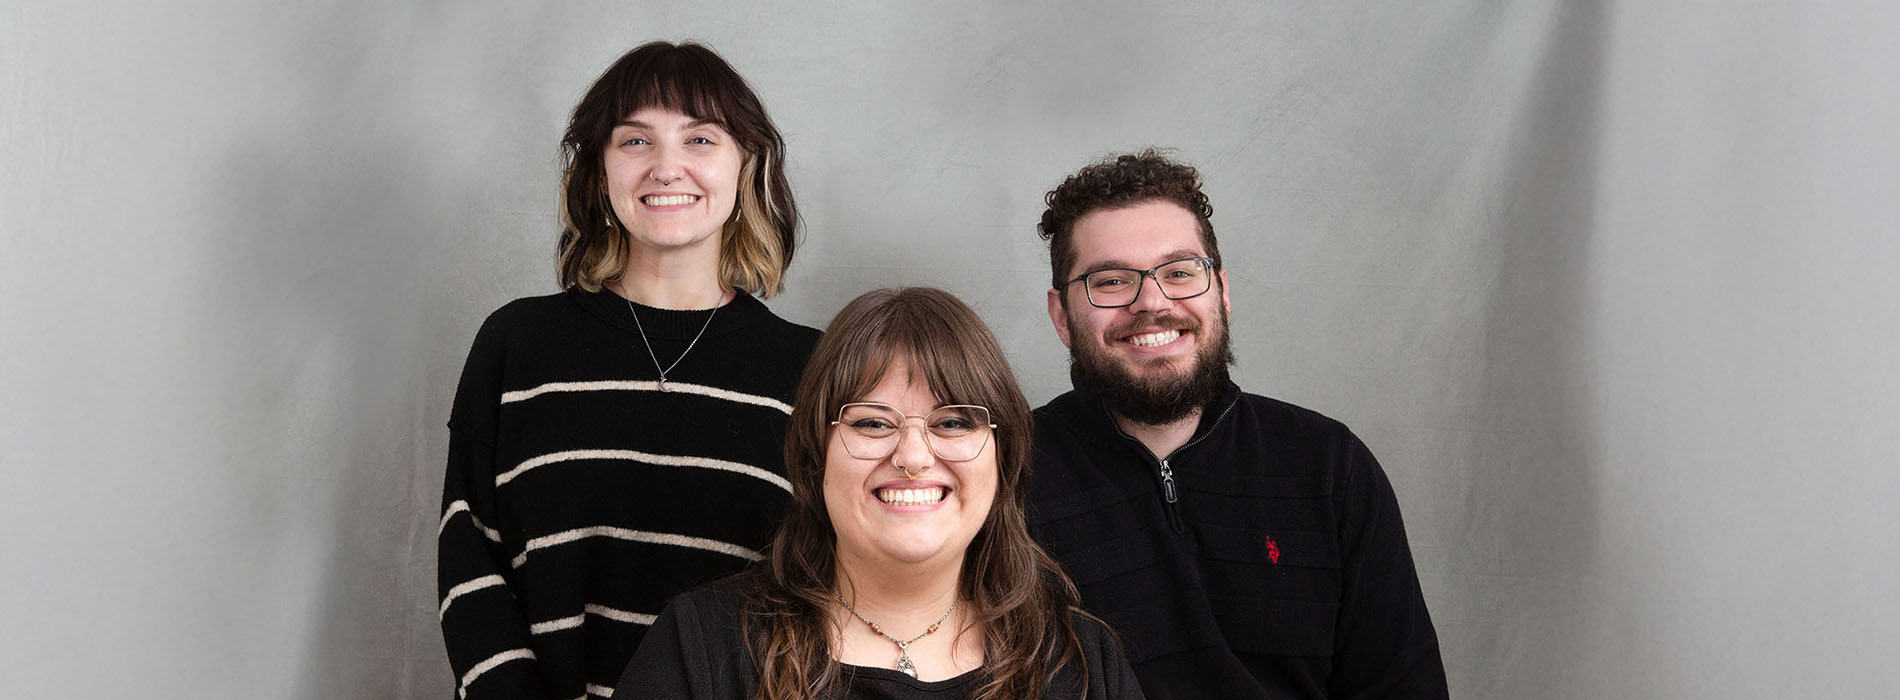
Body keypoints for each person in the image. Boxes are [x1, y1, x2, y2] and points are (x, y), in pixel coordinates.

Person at [437, 42, 820, 700]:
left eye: (700, 139)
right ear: (599, 171)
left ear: (745, 165)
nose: (667, 168)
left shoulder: (814, 370)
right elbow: (469, 549)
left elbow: (824, 587)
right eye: (635, 141)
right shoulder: (517, 344)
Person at [1026, 150, 1449, 699]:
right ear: (1062, 316)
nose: (1152, 302)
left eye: (1179, 272)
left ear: (1221, 292)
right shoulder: (1006, 472)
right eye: (1110, 281)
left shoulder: (1328, 466)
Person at [614, 287, 1145, 699]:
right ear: (814, 454)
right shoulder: (703, 649)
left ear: (1002, 458)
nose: (913, 457)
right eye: (871, 424)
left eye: (954, 422)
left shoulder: (1080, 664)